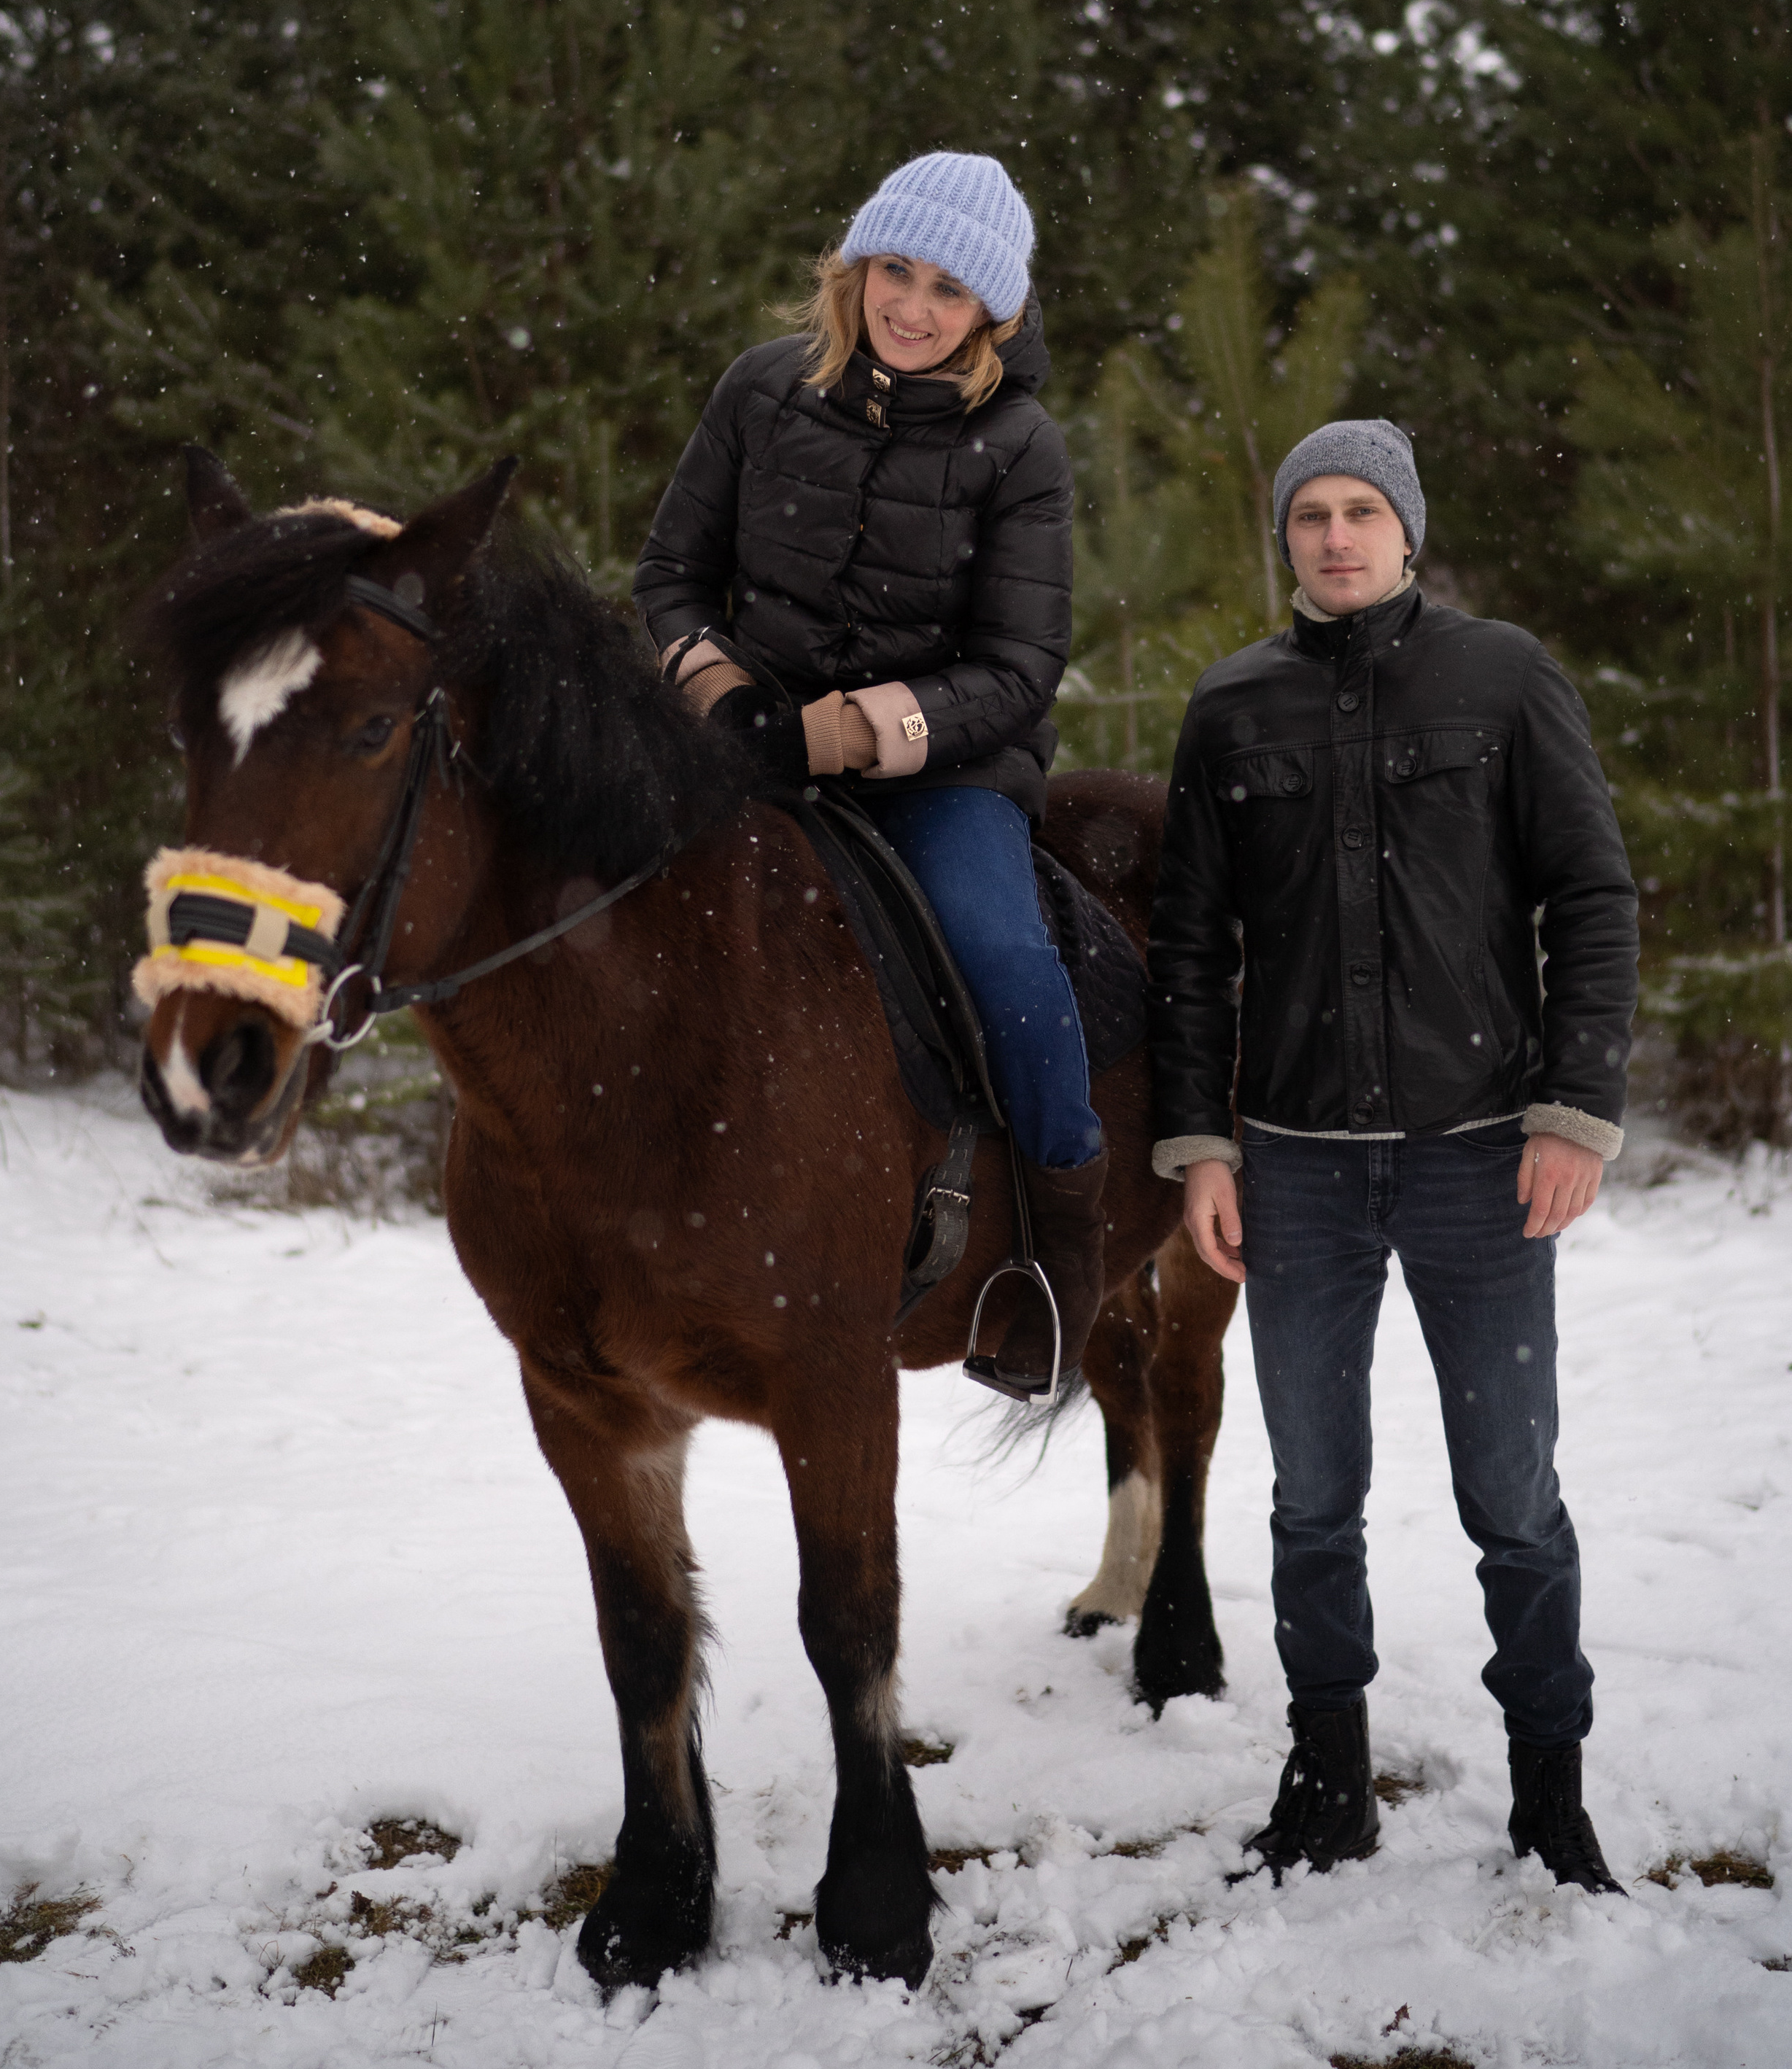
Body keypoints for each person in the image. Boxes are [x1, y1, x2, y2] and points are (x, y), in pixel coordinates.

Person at [1146, 419, 1640, 1893]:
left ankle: (1548, 1793)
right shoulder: (1232, 708)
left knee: (1511, 1494)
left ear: (1405, 530)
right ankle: (1326, 1778)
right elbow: (1187, 953)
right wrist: (1198, 1145)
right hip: (1291, 1168)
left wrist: (1572, 1110)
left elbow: (1590, 894)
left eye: (1361, 511)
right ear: (1284, 540)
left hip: (1479, 1163)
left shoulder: (1500, 679)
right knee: (1311, 1495)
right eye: (1309, 515)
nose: (1335, 537)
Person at [633, 151, 1103, 1400]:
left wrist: (841, 733)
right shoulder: (760, 389)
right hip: (744, 749)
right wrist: (724, 696)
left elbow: (1018, 669)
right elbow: (670, 579)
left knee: (1008, 961)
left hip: (942, 775)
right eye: (895, 270)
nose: (913, 306)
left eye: (948, 289)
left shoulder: (1021, 446)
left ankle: (1056, 1264)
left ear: (991, 314)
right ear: (854, 271)